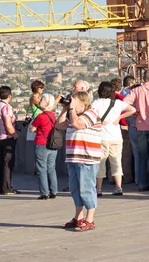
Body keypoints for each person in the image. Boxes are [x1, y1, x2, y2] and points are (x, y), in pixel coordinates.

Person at [56, 91, 100, 232]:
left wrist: (71, 109)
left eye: (74, 102)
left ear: (82, 103)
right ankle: (78, 217)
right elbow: (60, 125)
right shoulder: (74, 114)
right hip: (73, 157)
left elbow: (77, 124)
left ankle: (90, 219)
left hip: (86, 158)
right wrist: (65, 108)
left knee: (86, 188)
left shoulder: (91, 114)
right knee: (75, 189)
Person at [93, 81, 135, 196]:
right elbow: (132, 110)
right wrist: (119, 117)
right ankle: (118, 187)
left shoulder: (97, 102)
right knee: (116, 162)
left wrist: (99, 120)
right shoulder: (118, 103)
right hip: (116, 136)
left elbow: (90, 114)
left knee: (100, 164)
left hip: (101, 137)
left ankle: (99, 189)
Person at [30, 92, 58, 200]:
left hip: (42, 144)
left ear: (47, 103)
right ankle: (54, 191)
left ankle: (44, 192)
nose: (40, 101)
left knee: (41, 169)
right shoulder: (53, 115)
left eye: (42, 99)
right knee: (51, 168)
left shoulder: (41, 116)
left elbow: (32, 128)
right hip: (52, 144)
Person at [0, 86, 19, 195]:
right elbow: (8, 124)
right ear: (9, 96)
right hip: (7, 138)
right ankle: (7, 188)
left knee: (0, 163)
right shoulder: (6, 107)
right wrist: (14, 134)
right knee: (8, 164)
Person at [120, 75, 139, 185]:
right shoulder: (131, 96)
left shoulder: (122, 95)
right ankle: (141, 177)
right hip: (137, 126)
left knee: (133, 155)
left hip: (129, 126)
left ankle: (135, 178)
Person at [28, 80, 45, 175]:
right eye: (41, 88)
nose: (42, 89)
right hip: (37, 123)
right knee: (38, 147)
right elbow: (44, 107)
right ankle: (36, 168)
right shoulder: (34, 98)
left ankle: (36, 168)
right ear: (36, 88)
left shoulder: (36, 97)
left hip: (39, 122)